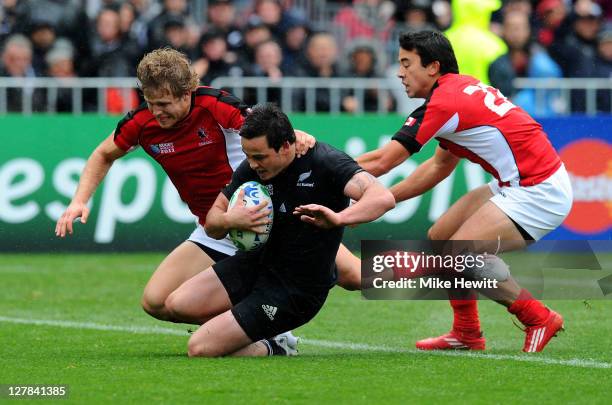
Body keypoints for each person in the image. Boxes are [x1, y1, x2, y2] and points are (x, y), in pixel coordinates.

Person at [54, 47, 360, 329]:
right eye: (149, 102)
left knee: (355, 275)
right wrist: (79, 201)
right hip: (216, 226)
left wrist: (296, 135)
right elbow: (103, 153)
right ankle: (266, 333)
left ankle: (409, 276)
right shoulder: (141, 123)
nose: (156, 111)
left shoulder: (214, 105)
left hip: (262, 216)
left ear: (187, 93)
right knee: (157, 301)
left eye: (164, 103)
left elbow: (263, 129)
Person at [355, 30, 573, 353]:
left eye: (406, 63)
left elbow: (384, 161)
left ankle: (537, 316)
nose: (400, 72)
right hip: (517, 183)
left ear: (433, 67)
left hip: (538, 191)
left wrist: (322, 167)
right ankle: (467, 332)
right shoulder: (457, 89)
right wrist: (388, 199)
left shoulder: (444, 102)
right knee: (441, 237)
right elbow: (439, 166)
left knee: (460, 253)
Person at [165, 103, 395, 357]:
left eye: (259, 157)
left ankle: (275, 345)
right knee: (175, 304)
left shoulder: (324, 161)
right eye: (247, 155)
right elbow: (213, 223)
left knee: (199, 348)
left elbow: (382, 197)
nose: (251, 164)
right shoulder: (252, 168)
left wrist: (339, 218)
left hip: (294, 289)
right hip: (257, 265)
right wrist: (232, 220)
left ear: (286, 146)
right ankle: (253, 327)